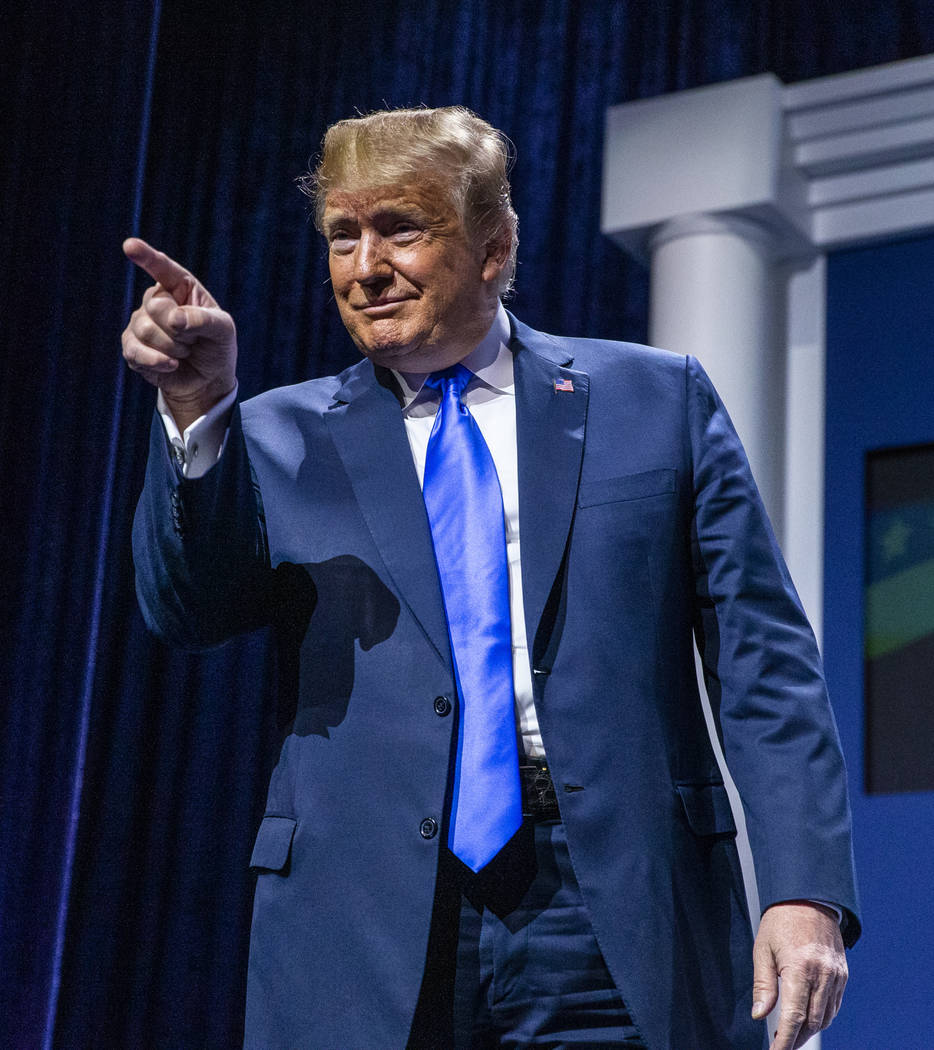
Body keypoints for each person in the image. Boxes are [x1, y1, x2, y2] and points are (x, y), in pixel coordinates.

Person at [122, 106, 859, 1050]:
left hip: (612, 908)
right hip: (367, 918)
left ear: (494, 246)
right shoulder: (272, 436)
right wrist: (195, 407)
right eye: (343, 236)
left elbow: (766, 667)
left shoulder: (654, 399)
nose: (365, 266)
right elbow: (186, 610)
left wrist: (803, 891)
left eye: (402, 229)